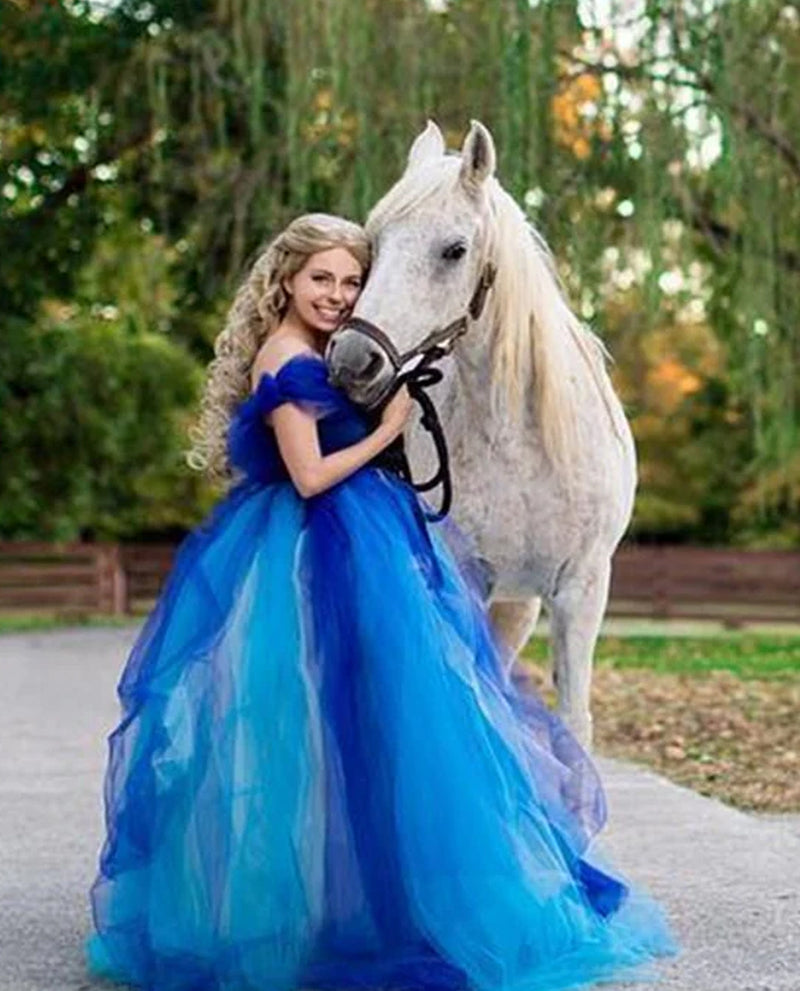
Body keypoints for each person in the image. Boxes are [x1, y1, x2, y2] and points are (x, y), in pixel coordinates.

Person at [85, 212, 680, 991]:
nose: (337, 295)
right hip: (312, 546)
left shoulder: (333, 353)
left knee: (398, 731)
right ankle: (344, 909)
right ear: (286, 282)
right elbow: (308, 474)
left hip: (362, 537)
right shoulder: (285, 355)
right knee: (323, 733)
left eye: (350, 281)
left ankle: (395, 895)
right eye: (321, 279)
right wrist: (388, 427)